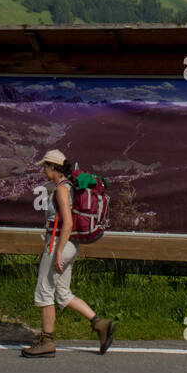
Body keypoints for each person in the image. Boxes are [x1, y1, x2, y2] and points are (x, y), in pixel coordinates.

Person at [22, 149, 116, 358]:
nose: (43, 171)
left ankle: (47, 341)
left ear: (53, 167)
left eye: (45, 166)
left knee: (44, 290)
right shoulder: (69, 187)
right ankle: (101, 324)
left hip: (61, 245)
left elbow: (68, 223)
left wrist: (57, 253)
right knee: (63, 293)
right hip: (69, 245)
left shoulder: (62, 190)